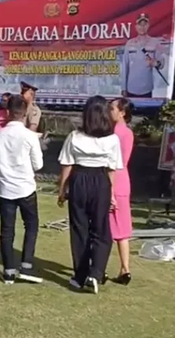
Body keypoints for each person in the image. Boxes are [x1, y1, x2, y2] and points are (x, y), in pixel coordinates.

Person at [58, 96, 123, 294]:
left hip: (80, 179)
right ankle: (96, 273)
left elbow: (67, 165)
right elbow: (113, 169)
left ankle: (80, 275)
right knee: (102, 230)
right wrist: (111, 193)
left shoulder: (75, 137)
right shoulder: (112, 139)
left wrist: (62, 189)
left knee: (80, 229)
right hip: (101, 181)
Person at [0, 95, 44, 284]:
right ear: (25, 113)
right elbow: (38, 164)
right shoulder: (29, 136)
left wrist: (3, 163)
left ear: (7, 112)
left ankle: (8, 269)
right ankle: (26, 264)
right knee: (31, 226)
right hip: (25, 187)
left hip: (5, 188)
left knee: (7, 230)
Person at [109, 98, 134, 285]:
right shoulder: (128, 133)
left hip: (113, 182)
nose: (110, 112)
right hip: (123, 182)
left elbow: (116, 162)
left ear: (122, 112)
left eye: (112, 109)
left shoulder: (114, 134)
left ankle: (99, 266)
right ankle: (125, 268)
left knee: (106, 229)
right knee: (122, 229)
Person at [121, 13, 166, 98]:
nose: (142, 27)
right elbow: (125, 67)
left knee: (146, 111)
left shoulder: (155, 42)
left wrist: (156, 63)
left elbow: (162, 62)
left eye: (145, 24)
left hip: (147, 89)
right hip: (131, 89)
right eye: (140, 24)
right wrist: (124, 88)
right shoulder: (129, 43)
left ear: (148, 25)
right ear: (136, 26)